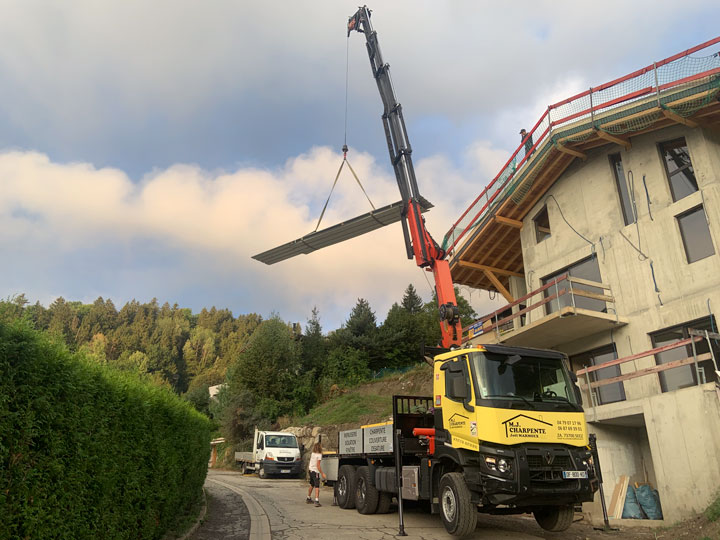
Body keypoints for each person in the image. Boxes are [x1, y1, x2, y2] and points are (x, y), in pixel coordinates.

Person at [306, 442, 326, 507]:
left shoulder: (313, 454)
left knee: (312, 484)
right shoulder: (319, 455)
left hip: (310, 470)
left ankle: (308, 497)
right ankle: (316, 500)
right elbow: (318, 465)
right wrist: (322, 473)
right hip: (315, 471)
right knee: (317, 486)